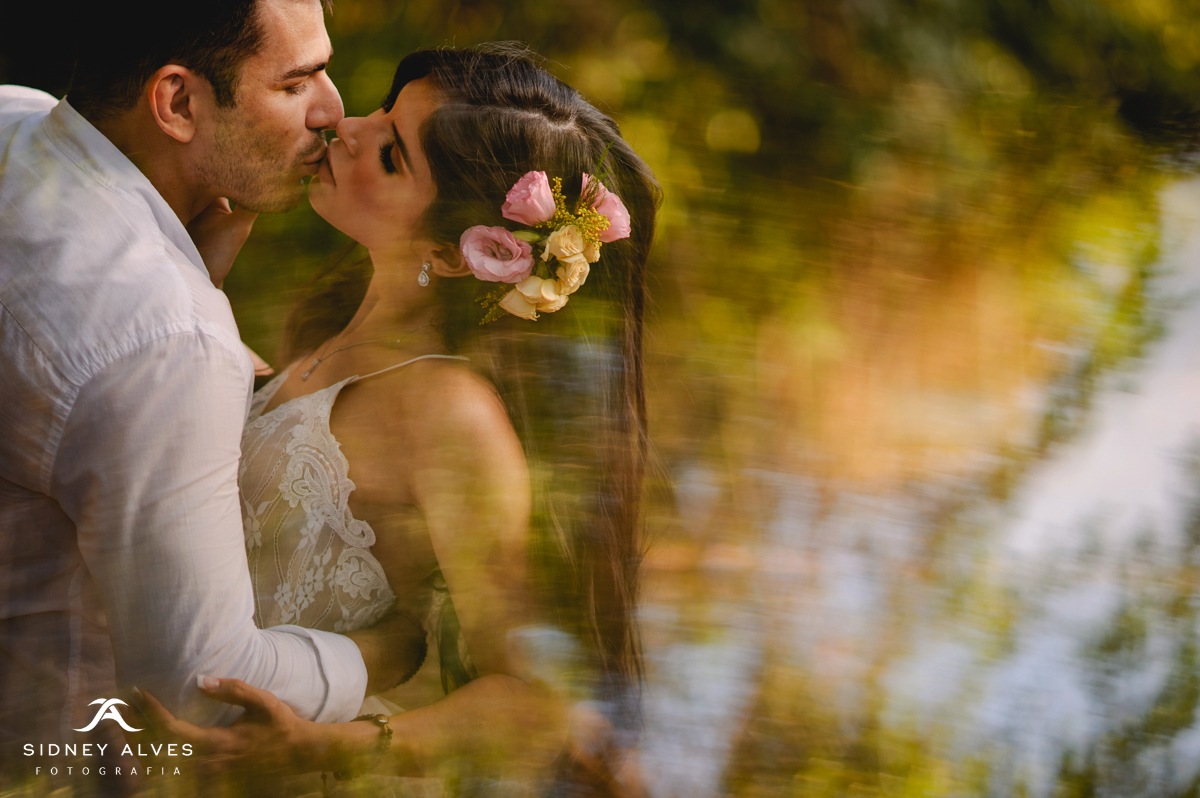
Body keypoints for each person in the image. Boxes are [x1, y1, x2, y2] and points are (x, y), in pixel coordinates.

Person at [137, 44, 660, 792]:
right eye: (382, 109)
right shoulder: (321, 345)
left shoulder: (451, 415)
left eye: (392, 154)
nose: (345, 127)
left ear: (458, 253)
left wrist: (326, 750)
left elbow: (531, 696)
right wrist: (202, 282)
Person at [0, 0, 424, 783]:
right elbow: (201, 690)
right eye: (297, 83)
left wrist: (195, 277)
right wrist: (383, 655)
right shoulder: (165, 340)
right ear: (178, 103)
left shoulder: (14, 114)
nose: (335, 112)